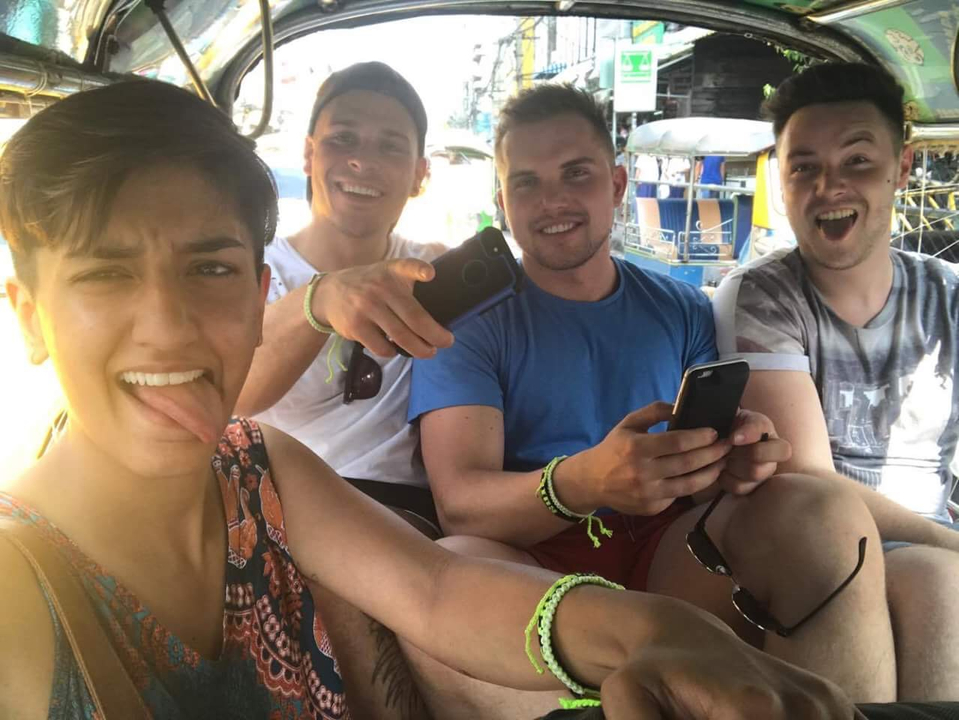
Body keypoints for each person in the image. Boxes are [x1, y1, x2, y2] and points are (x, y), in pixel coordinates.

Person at [0, 77, 869, 720]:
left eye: (209, 269)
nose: (166, 327)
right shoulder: (20, 584)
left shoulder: (255, 471)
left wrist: (650, 632)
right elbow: (452, 540)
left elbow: (437, 591)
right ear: (30, 316)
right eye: (105, 275)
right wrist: (321, 302)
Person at [405, 83, 905, 718]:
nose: (553, 200)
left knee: (820, 509)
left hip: (669, 558)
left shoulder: (681, 308)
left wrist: (734, 460)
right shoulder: (467, 323)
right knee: (449, 567)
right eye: (527, 183)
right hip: (527, 566)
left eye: (576, 173)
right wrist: (584, 483)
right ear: (503, 202)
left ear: (616, 185)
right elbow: (461, 507)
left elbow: (708, 478)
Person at [712, 61, 959, 700]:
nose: (829, 186)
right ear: (781, 178)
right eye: (805, 167)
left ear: (901, 168)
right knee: (939, 584)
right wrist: (950, 545)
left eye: (857, 161)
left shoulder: (948, 298)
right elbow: (810, 478)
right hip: (819, 540)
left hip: (934, 536)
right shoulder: (762, 297)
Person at [234, 61, 453, 505]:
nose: (363, 161)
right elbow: (232, 395)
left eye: (390, 147)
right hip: (277, 506)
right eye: (343, 139)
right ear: (309, 154)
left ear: (419, 175)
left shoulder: (433, 270)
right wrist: (319, 301)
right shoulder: (252, 270)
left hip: (403, 510)